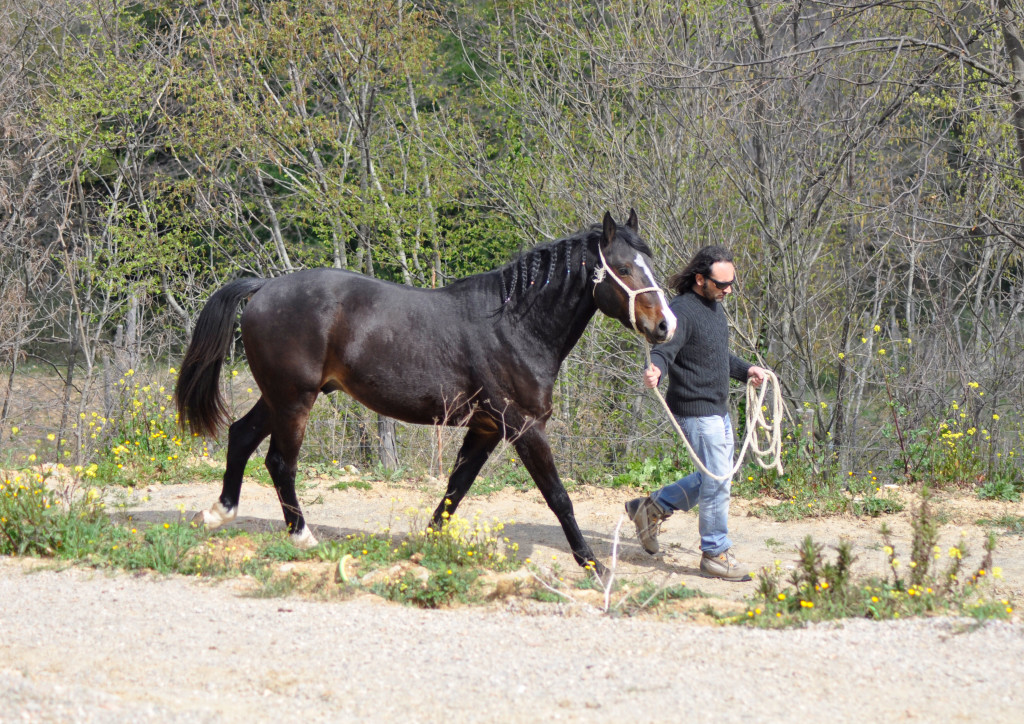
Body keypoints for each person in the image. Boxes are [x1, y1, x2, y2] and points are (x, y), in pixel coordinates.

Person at [625, 244, 767, 581]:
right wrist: (655, 369)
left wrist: (746, 370)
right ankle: (715, 553)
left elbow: (718, 357)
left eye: (731, 284)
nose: (728, 291)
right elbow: (666, 350)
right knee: (717, 481)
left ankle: (653, 508)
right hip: (696, 411)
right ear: (700, 279)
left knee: (715, 477)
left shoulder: (715, 309)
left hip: (718, 408)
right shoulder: (683, 311)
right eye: (722, 285)